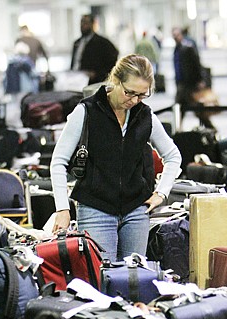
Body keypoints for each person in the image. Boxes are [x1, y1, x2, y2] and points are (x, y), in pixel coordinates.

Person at [50, 54, 182, 262]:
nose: (134, 100)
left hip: (136, 211)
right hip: (95, 210)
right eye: (129, 92)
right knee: (101, 281)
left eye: (141, 95)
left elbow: (173, 156)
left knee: (136, 280)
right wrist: (62, 209)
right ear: (115, 80)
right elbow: (58, 161)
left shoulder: (145, 115)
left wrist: (161, 193)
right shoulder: (86, 111)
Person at [171, 26, 215, 130]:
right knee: (180, 108)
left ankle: (209, 127)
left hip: (189, 85)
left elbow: (196, 65)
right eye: (174, 36)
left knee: (194, 108)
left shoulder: (188, 47)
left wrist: (200, 80)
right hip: (182, 84)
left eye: (177, 35)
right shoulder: (177, 49)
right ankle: (177, 130)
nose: (175, 38)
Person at [71, 14, 119, 85]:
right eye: (81, 22)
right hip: (76, 80)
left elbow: (113, 58)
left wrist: (98, 74)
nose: (83, 25)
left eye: (86, 22)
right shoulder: (77, 42)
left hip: (94, 82)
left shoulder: (102, 42)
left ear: (92, 24)